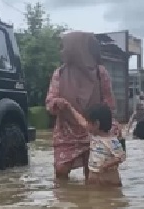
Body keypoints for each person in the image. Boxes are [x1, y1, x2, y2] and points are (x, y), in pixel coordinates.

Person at [45, 31, 117, 180]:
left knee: (93, 172)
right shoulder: (60, 73)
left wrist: (111, 127)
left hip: (94, 130)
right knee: (61, 170)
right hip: (66, 132)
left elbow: (109, 103)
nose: (61, 51)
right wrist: (57, 103)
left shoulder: (100, 73)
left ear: (75, 49)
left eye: (64, 47)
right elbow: (50, 102)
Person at [48, 99, 125, 186]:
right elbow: (81, 121)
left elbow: (121, 157)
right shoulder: (94, 136)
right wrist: (69, 107)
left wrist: (106, 165)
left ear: (96, 124)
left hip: (109, 179)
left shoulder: (112, 141)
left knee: (109, 193)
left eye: (88, 123)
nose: (86, 125)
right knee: (93, 191)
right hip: (95, 175)